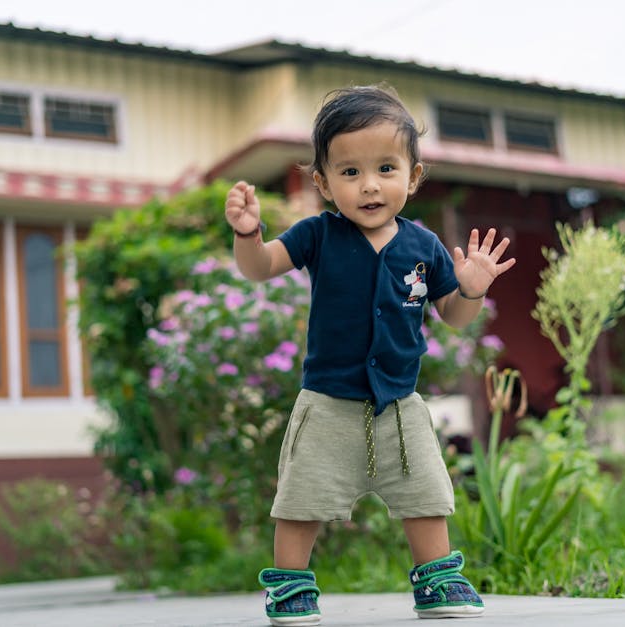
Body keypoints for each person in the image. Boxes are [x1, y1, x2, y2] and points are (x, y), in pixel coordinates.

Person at [224, 84, 516, 626]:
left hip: (400, 404)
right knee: (302, 496)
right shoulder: (318, 234)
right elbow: (261, 267)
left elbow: (452, 316)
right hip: (328, 401)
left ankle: (437, 579)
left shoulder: (423, 246)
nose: (370, 185)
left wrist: (472, 288)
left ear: (414, 176)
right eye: (350, 172)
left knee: (425, 492)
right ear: (323, 182)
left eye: (386, 168)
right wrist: (248, 234)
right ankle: (290, 586)